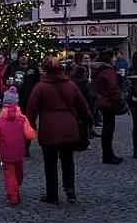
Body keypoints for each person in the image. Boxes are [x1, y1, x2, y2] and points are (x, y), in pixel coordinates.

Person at [27, 55, 92, 204]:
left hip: (49, 129)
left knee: (50, 163)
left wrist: (31, 125)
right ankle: (70, 190)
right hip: (68, 127)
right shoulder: (70, 85)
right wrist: (88, 121)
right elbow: (83, 106)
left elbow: (31, 108)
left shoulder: (41, 87)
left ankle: (52, 194)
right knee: (68, 160)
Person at [0, 86, 37, 205]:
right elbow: (30, 135)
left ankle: (13, 195)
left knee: (9, 174)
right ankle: (17, 184)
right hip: (19, 152)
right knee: (18, 171)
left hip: (6, 153)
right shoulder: (22, 119)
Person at [93, 50, 127, 164]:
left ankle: (108, 154)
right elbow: (113, 89)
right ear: (109, 59)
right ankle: (108, 155)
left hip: (102, 102)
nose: (115, 59)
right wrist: (121, 102)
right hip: (107, 103)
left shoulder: (100, 70)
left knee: (107, 130)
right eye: (114, 57)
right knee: (108, 130)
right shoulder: (108, 72)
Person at [6, 51, 39, 156]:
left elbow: (38, 81)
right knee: (16, 122)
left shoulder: (33, 68)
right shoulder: (12, 67)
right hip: (15, 100)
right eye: (22, 56)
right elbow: (5, 78)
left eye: (25, 56)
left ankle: (26, 146)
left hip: (29, 100)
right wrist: (7, 82)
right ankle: (16, 144)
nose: (24, 58)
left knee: (27, 122)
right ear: (18, 58)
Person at [70, 52, 97, 137]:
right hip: (83, 94)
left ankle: (91, 129)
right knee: (84, 115)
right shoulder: (78, 69)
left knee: (92, 113)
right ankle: (83, 134)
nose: (87, 60)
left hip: (92, 93)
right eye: (85, 58)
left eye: (88, 58)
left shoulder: (91, 68)